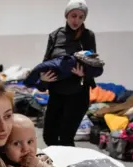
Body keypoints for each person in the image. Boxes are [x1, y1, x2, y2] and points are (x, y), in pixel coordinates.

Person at [39, 0, 97, 147]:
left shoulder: (88, 36)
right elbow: (46, 61)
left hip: (78, 93)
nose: (76, 20)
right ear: (67, 15)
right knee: (49, 136)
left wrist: (83, 73)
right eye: (73, 15)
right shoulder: (55, 35)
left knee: (66, 138)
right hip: (57, 92)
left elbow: (94, 64)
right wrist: (43, 78)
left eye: (81, 17)